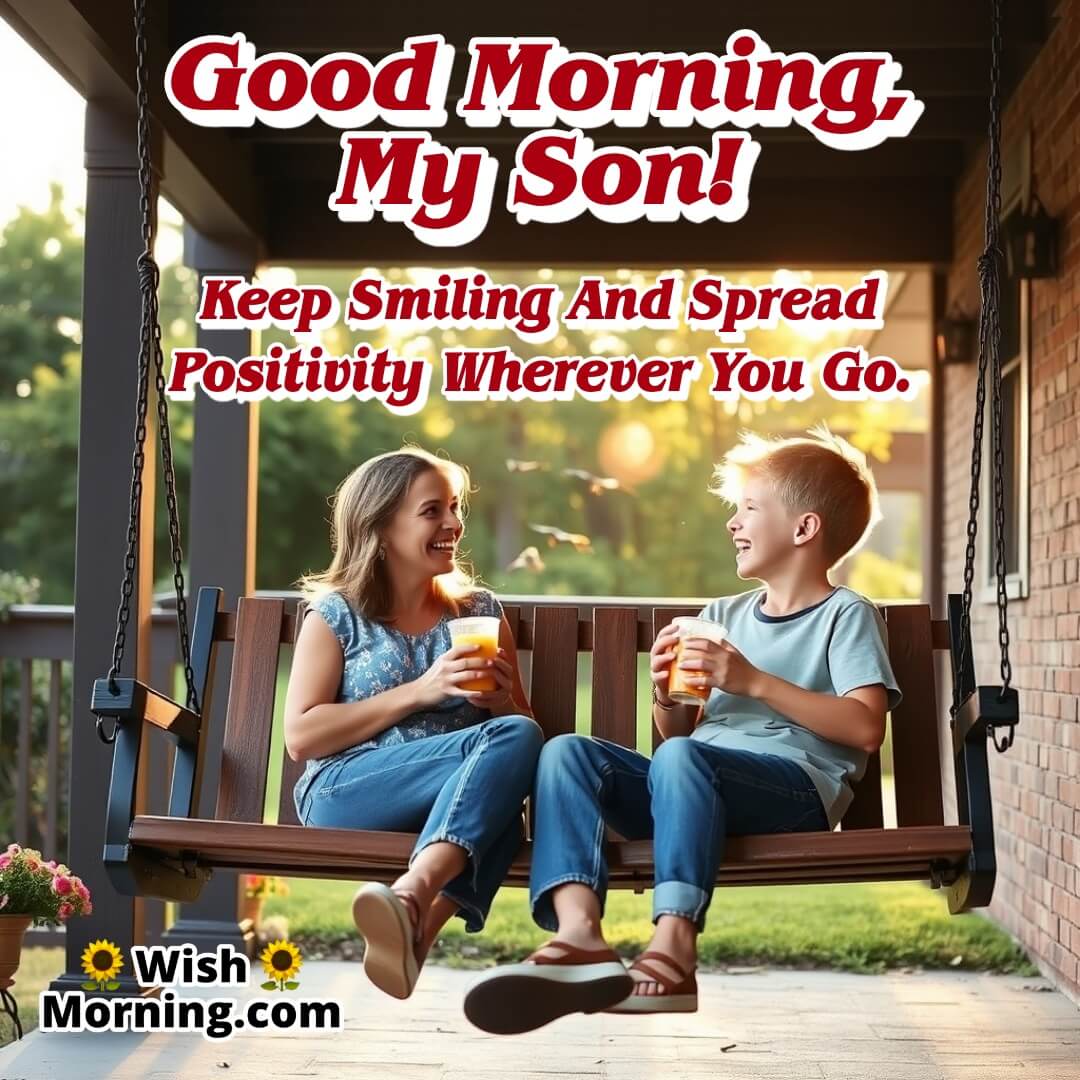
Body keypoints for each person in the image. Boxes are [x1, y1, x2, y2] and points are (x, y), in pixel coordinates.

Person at [464, 425, 903, 1035]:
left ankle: (674, 945)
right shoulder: (721, 615)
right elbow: (676, 741)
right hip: (697, 787)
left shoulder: (844, 614)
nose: (733, 522)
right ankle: (580, 937)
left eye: (751, 508)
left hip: (793, 791)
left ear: (805, 529)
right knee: (567, 753)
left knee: (686, 761)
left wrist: (752, 681)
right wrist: (666, 693)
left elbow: (863, 728)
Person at [284, 447, 541, 1002]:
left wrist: (499, 701)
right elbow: (302, 737)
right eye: (432, 511)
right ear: (380, 526)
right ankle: (417, 903)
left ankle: (414, 923)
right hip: (347, 791)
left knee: (509, 761)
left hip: (450, 801)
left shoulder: (478, 611)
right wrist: (422, 691)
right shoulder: (337, 615)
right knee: (501, 788)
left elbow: (520, 729)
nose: (453, 524)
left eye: (455, 508)